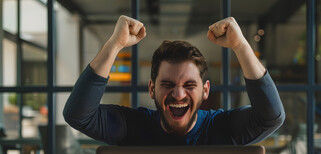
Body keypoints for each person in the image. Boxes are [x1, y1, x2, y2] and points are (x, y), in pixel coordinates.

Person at [63, 15, 285, 146]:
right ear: (152, 89)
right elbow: (78, 115)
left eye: (189, 85)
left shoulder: (222, 128)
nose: (179, 95)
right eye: (167, 84)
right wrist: (115, 44)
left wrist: (241, 46)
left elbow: (271, 117)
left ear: (205, 90)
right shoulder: (133, 127)